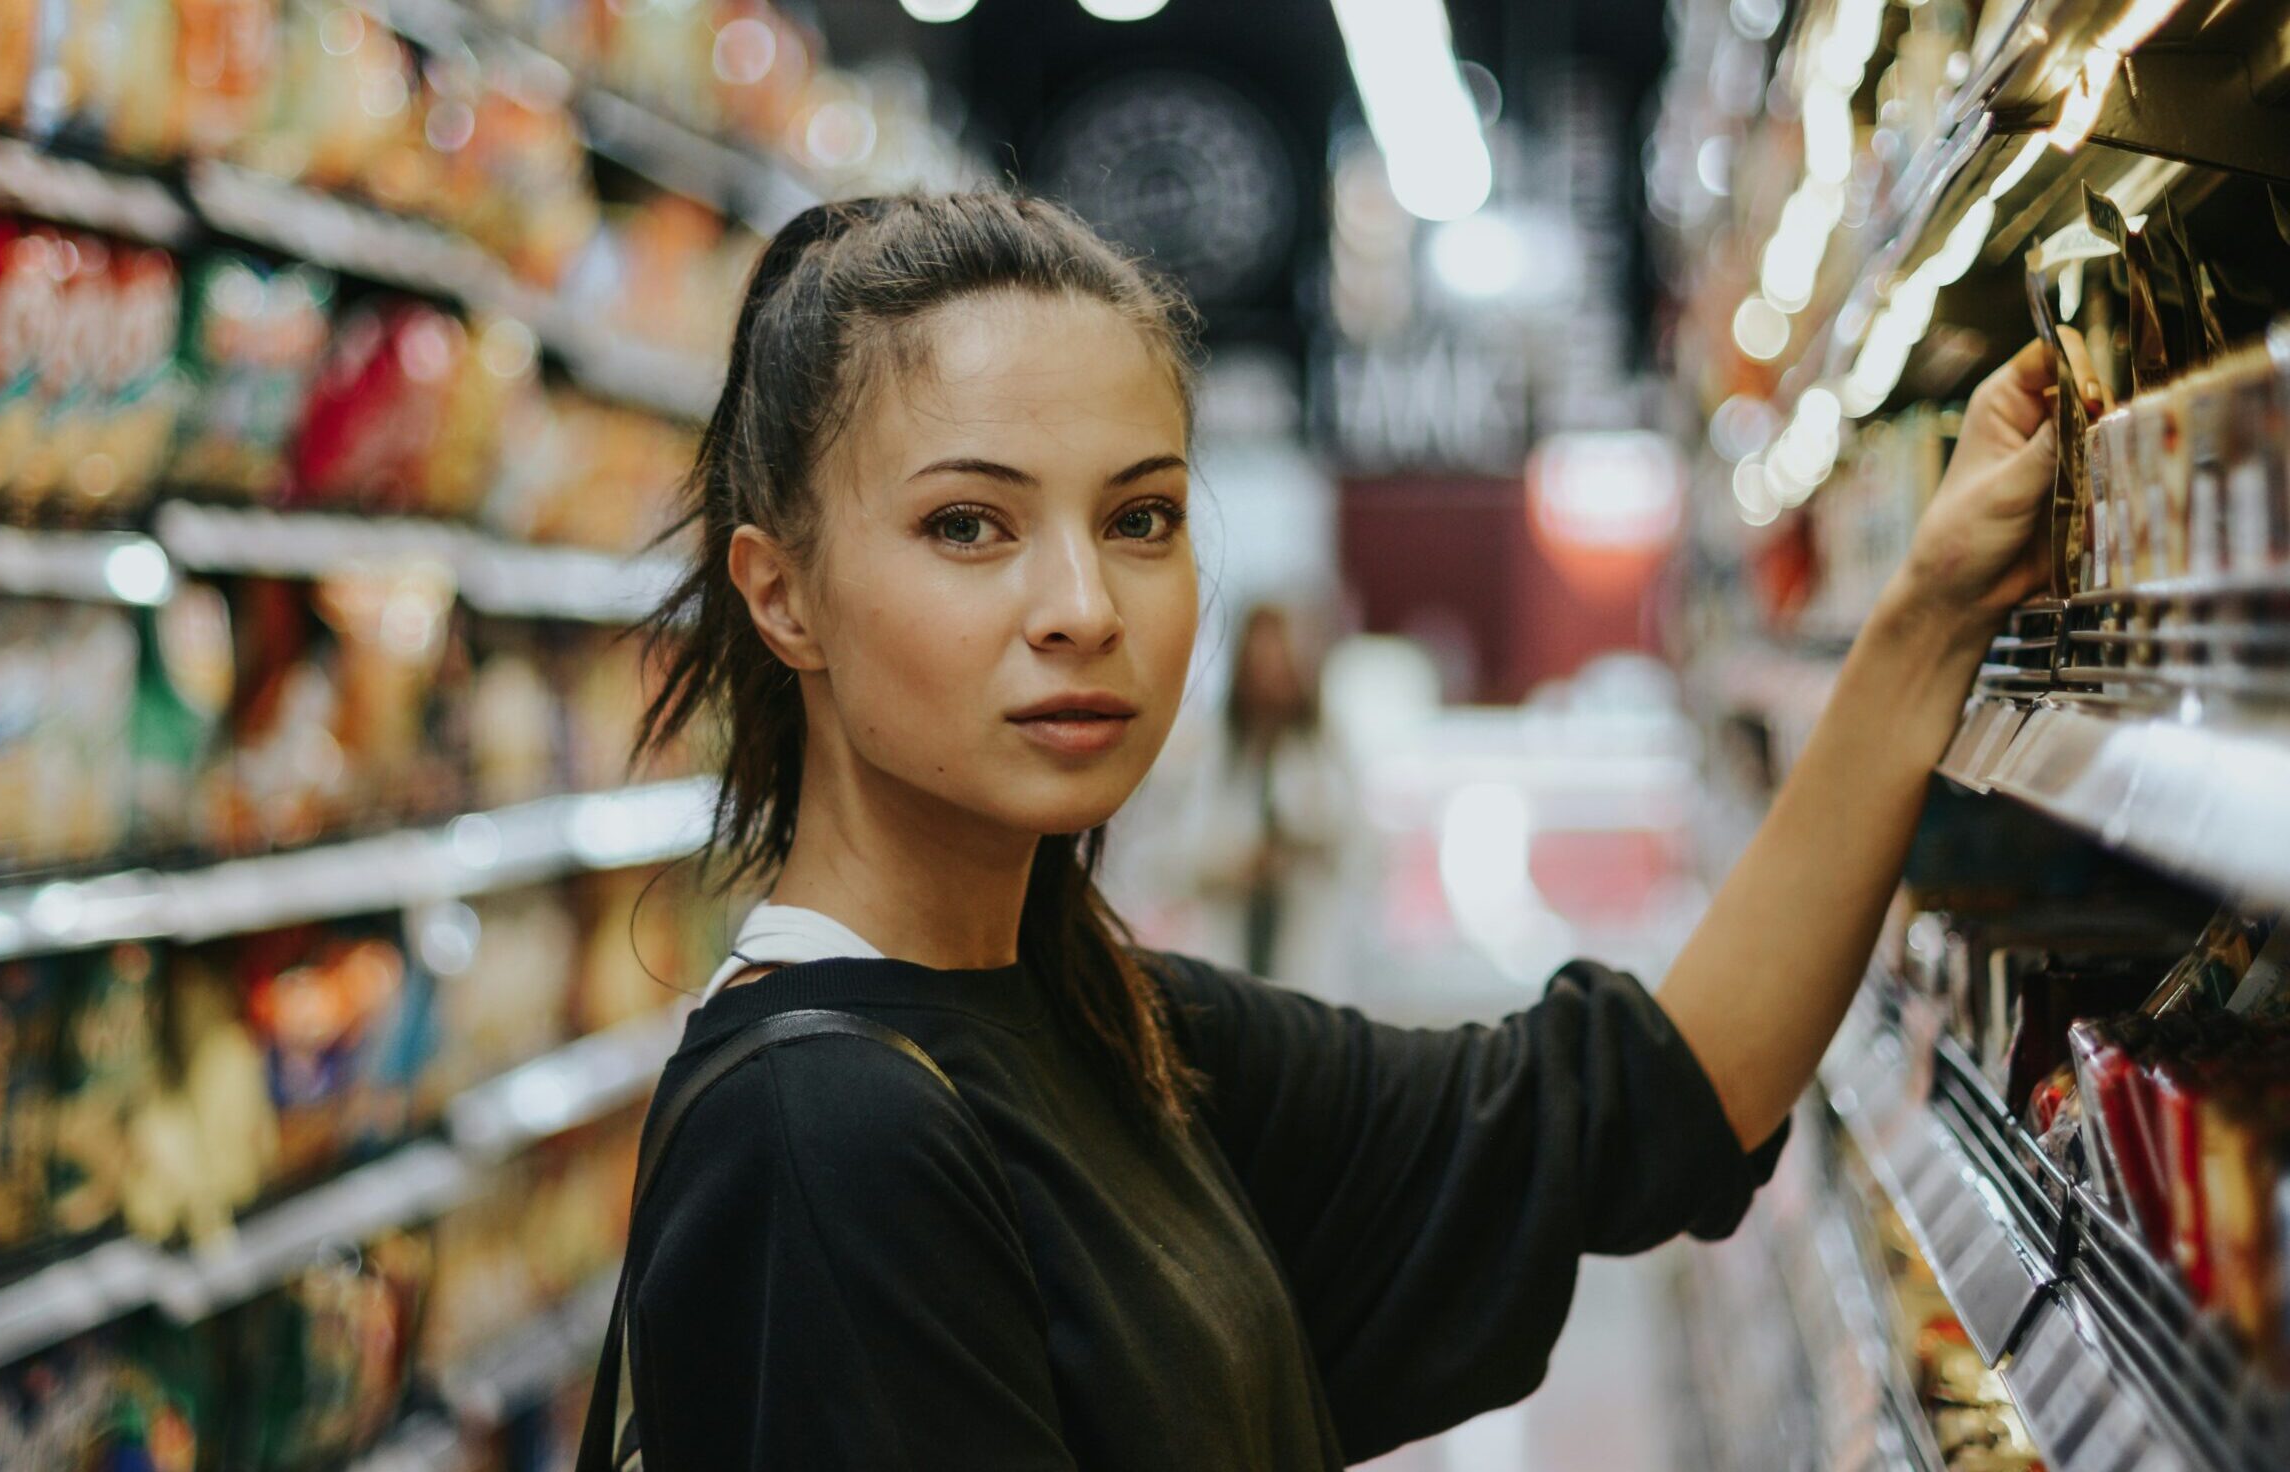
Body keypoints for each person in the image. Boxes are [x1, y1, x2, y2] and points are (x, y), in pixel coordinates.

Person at [608, 192, 2091, 1470]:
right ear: (779, 591)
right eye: (969, 527)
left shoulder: (1103, 1022)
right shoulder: (826, 1136)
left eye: (1141, 519)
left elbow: (1636, 1108)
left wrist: (1933, 612)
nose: (1082, 606)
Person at [1124, 601, 1368, 995]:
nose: (1271, 676)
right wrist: (1231, 861)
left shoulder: (1326, 751)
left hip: (1308, 953)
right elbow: (1158, 857)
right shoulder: (1207, 751)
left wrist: (1304, 847)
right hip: (1226, 950)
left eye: (1281, 661)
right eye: (1261, 662)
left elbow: (1363, 850)